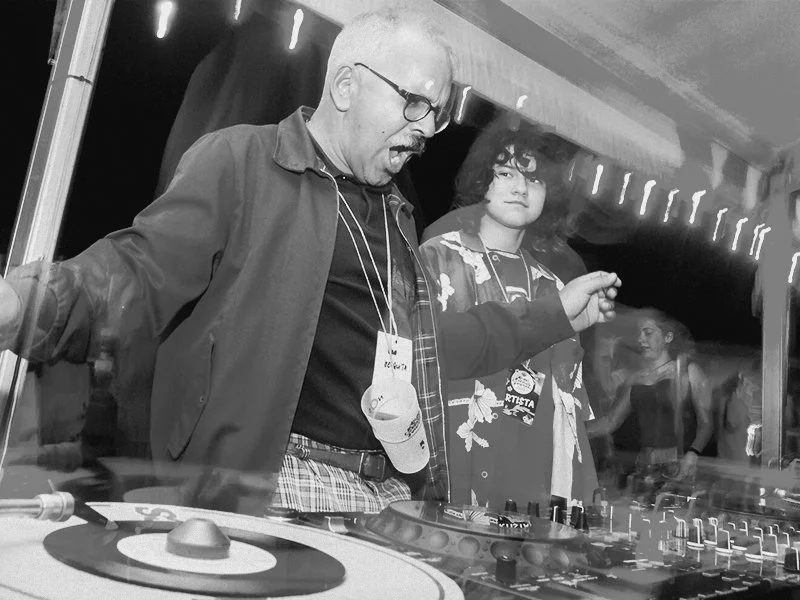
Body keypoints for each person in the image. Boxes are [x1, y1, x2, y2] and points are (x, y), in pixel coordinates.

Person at [0, 8, 620, 515]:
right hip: (280, 484)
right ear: (346, 85)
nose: (426, 129)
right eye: (414, 102)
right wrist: (23, 303)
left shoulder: (396, 217)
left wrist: (554, 315)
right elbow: (138, 271)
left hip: (389, 492)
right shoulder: (245, 162)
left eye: (437, 112)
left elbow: (437, 346)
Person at [420, 120, 599, 511]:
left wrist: (574, 506)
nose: (520, 188)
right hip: (446, 473)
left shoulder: (554, 288)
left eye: (534, 179)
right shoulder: (438, 259)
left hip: (523, 488)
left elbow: (567, 412)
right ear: (483, 180)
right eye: (505, 173)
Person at [586, 309, 711, 484]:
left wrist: (693, 453)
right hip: (644, 466)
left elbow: (706, 423)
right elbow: (611, 421)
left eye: (648, 332)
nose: (641, 339)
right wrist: (579, 431)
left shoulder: (688, 372)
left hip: (677, 466)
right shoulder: (635, 378)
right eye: (640, 334)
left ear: (668, 337)